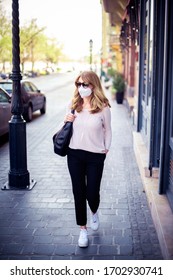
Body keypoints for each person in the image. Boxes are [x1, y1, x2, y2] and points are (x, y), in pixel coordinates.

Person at [64, 70, 112, 247]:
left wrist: (106, 147)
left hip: (95, 156)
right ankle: (82, 230)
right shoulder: (73, 104)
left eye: (85, 84)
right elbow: (65, 128)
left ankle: (94, 211)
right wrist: (66, 119)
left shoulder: (103, 106)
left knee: (92, 192)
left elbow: (108, 129)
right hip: (74, 153)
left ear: (93, 85)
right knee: (78, 192)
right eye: (78, 84)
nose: (81, 88)